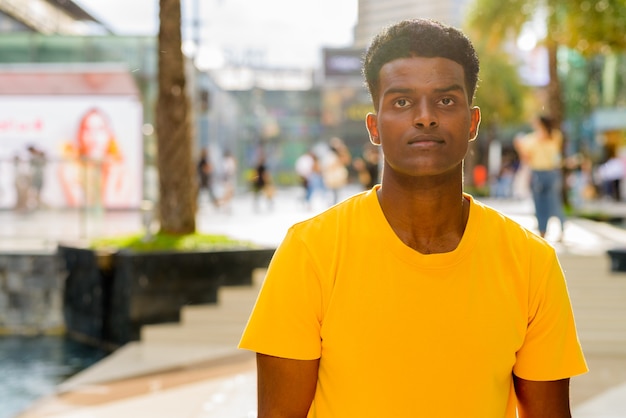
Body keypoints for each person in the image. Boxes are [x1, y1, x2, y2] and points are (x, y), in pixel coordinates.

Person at [239, 18, 587, 417]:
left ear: (472, 122)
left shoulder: (531, 263)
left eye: (446, 100)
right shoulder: (309, 253)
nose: (425, 117)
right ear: (374, 127)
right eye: (402, 101)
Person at [58, 108, 129, 208]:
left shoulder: (122, 171)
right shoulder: (69, 169)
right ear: (79, 135)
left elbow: (113, 210)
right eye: (87, 129)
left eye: (100, 129)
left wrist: (111, 175)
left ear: (109, 134)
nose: (94, 136)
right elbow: (80, 208)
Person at [514, 115, 566, 239]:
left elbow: (556, 149)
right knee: (539, 204)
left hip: (552, 172)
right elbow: (526, 157)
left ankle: (561, 229)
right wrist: (519, 147)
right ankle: (542, 231)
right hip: (537, 173)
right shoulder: (531, 139)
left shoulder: (555, 136)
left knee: (554, 202)